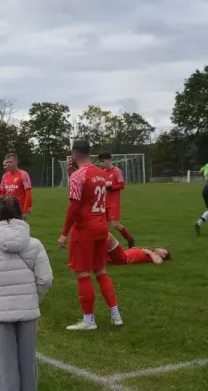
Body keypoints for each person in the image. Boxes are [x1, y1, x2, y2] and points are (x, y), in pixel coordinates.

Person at [0, 196, 53, 391]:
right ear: (20, 214)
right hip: (28, 311)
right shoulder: (35, 244)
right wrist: (34, 299)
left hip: (2, 313)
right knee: (28, 361)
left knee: (6, 363)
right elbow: (46, 280)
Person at [58, 141, 123, 331]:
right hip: (101, 227)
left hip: (84, 229)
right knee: (101, 271)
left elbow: (74, 207)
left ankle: (89, 320)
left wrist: (64, 234)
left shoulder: (79, 176)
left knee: (83, 274)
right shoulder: (101, 173)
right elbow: (91, 196)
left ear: (74, 155)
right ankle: (115, 314)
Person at [98, 152, 135, 248]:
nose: (101, 164)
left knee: (116, 225)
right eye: (100, 162)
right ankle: (108, 248)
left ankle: (130, 239)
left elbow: (122, 185)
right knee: (105, 228)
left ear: (109, 160)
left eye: (103, 161)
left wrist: (111, 187)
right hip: (104, 203)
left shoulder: (117, 171)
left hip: (114, 202)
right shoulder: (102, 172)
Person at [0, 153, 33, 220]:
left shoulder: (23, 174)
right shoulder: (5, 176)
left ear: (16, 162)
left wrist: (25, 210)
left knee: (19, 229)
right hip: (7, 210)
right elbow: (2, 191)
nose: (8, 164)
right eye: (7, 162)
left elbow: (28, 193)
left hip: (19, 210)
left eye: (10, 162)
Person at [106, 233, 171, 265]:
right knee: (105, 237)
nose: (161, 248)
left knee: (109, 235)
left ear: (163, 255)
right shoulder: (151, 253)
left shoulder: (154, 256)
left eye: (162, 250)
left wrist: (150, 253)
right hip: (121, 256)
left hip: (123, 258)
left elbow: (159, 262)